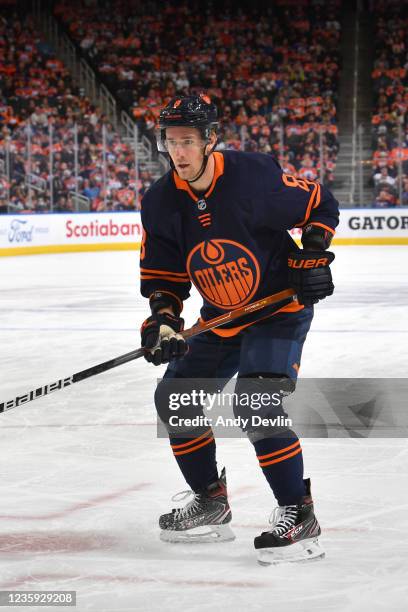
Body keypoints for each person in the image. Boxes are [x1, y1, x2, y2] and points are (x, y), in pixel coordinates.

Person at [139, 94, 339, 565]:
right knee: (175, 397)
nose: (179, 152)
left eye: (188, 141)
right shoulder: (160, 201)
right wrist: (163, 321)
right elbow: (164, 278)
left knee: (255, 401)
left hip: (277, 310)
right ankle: (210, 499)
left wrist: (312, 254)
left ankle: (299, 513)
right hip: (220, 318)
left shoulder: (253, 176)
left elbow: (319, 203)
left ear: (210, 140)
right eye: (171, 142)